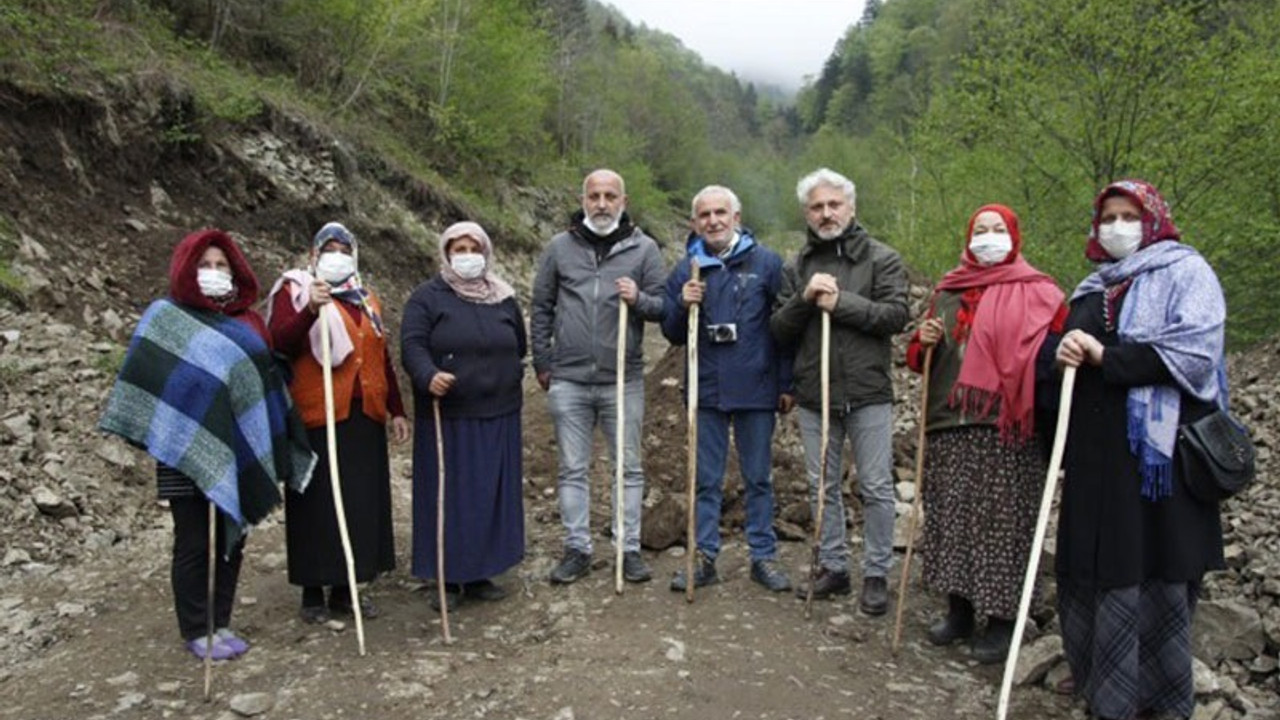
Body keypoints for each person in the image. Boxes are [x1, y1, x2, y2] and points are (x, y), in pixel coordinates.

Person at [1053, 179, 1227, 720]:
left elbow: (1195, 354)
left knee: (1152, 570)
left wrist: (1109, 358)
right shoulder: (1090, 288)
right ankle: (1104, 694)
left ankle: (1160, 700)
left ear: (1153, 220)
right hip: (1096, 462)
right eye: (1109, 217)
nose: (1118, 226)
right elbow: (1063, 361)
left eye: (1130, 215)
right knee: (1095, 571)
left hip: (1160, 464)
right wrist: (1059, 353)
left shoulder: (1187, 273)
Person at [100, 229, 315, 660]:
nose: (214, 273)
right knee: (194, 540)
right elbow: (149, 379)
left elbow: (265, 377)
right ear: (186, 268)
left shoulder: (249, 322)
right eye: (205, 265)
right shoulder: (165, 317)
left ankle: (222, 620)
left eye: (222, 266)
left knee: (231, 536)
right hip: (183, 447)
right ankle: (196, 628)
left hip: (237, 447)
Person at [904, 204, 1066, 662]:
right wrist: (925, 342)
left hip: (1006, 427)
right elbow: (918, 360)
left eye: (998, 230)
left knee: (1001, 524)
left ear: (1014, 236)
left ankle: (1002, 620)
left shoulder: (1041, 292)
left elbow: (1053, 357)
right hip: (947, 422)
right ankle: (959, 610)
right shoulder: (946, 292)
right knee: (950, 518)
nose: (988, 237)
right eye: (981, 230)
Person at [770, 168, 909, 616]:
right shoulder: (796, 266)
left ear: (851, 207)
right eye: (817, 206)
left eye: (834, 205)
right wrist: (805, 298)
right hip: (816, 394)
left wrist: (840, 303)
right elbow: (778, 330)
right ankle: (833, 564)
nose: (826, 213)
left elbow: (894, 315)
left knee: (875, 486)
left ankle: (875, 574)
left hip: (868, 391)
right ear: (805, 213)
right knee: (822, 486)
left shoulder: (882, 258)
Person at [267, 222, 409, 624]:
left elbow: (380, 357)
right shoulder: (294, 292)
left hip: (363, 417)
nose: (336, 255)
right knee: (315, 501)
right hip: (317, 413)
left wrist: (396, 408)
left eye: (343, 249)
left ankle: (349, 585)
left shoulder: (366, 299)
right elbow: (279, 341)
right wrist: (311, 309)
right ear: (313, 255)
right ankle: (313, 588)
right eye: (328, 248)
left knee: (358, 500)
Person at [531, 168, 667, 585]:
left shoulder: (644, 250)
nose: (602, 203)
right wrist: (543, 362)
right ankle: (577, 549)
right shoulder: (559, 247)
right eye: (595, 196)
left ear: (623, 202)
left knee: (627, 468)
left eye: (610, 196)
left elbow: (663, 307)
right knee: (573, 468)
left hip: (622, 379)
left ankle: (628, 549)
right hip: (569, 379)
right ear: (583, 199)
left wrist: (637, 298)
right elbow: (541, 306)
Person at [660, 185, 793, 593]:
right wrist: (683, 305)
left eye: (721, 213)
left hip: (756, 386)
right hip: (707, 389)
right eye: (705, 215)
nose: (713, 221)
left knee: (758, 477)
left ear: (736, 217)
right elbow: (672, 333)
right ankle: (703, 556)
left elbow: (786, 327)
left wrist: (786, 383)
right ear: (694, 222)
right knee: (705, 479)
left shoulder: (767, 263)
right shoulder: (687, 269)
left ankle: (763, 556)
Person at [401, 221, 526, 610]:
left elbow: (519, 343)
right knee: (451, 497)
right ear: (446, 253)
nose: (467, 255)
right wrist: (428, 375)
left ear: (486, 252)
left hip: (500, 412)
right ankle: (448, 576)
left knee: (489, 496)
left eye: (474, 247)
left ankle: (481, 573)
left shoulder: (502, 297)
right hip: (450, 414)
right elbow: (412, 345)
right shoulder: (427, 298)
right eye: (459, 248)